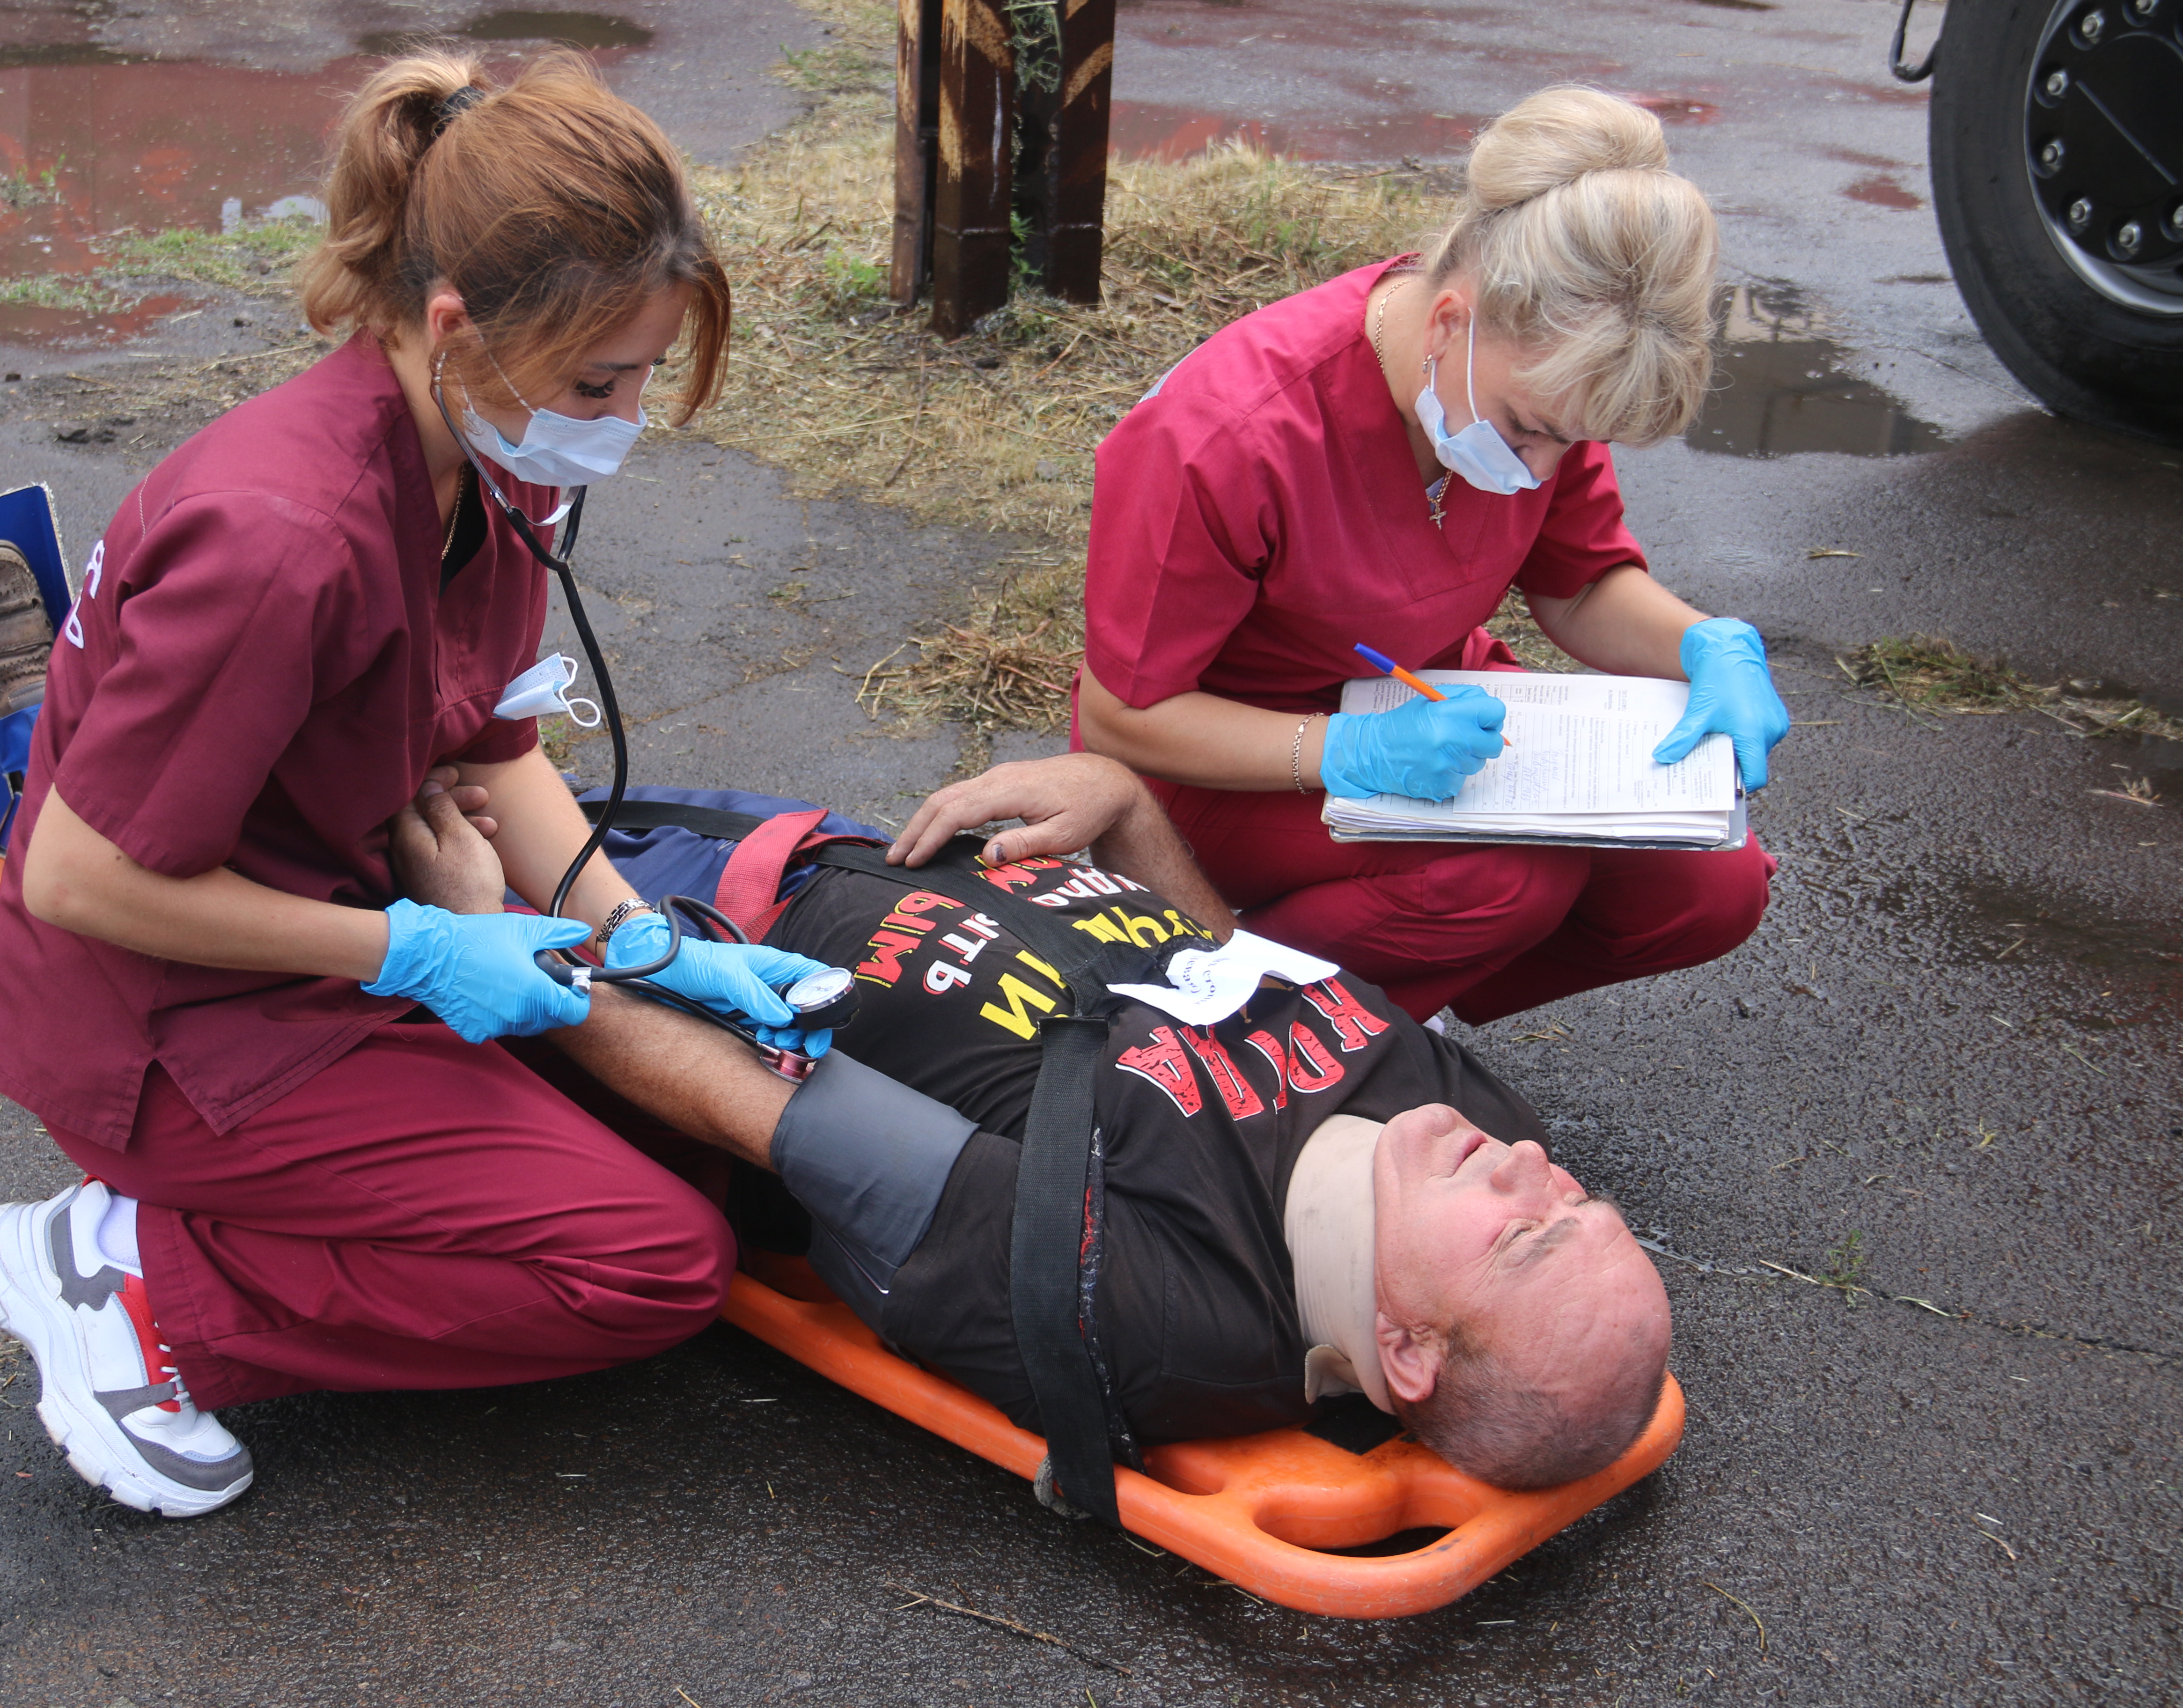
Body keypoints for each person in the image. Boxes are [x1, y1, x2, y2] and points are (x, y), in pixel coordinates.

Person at [0, 51, 836, 1519]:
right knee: (652, 1263)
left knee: (673, 1130)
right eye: (597, 381)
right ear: (450, 324)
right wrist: (419, 949)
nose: (614, 421)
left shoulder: (491, 444)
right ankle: (134, 1289)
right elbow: (80, 881)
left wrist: (645, 940)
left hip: (333, 929)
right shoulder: (281, 542)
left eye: (638, 376)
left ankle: (177, 1245)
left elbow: (488, 737)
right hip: (171, 1025)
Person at [443, 755, 1676, 1492]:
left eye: (1524, 1236)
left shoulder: (1142, 1303)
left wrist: (525, 956)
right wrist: (1127, 809)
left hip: (702, 929)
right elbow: (1224, 971)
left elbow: (754, 1099)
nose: (1526, 1166)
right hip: (857, 848)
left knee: (383, 780)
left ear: (1404, 1354)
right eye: (1569, 1193)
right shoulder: (1464, 1125)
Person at [1073, 87, 1791, 1026]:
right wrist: (1344, 750)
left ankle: (1376, 1002)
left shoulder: (1530, 379)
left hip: (1428, 707)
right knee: (1503, 881)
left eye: (1569, 445)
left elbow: (1578, 585)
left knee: (1709, 888)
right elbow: (1125, 714)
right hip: (1218, 765)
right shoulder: (1225, 433)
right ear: (1451, 321)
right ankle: (1224, 1019)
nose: (1541, 469)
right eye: (1534, 431)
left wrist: (1705, 643)